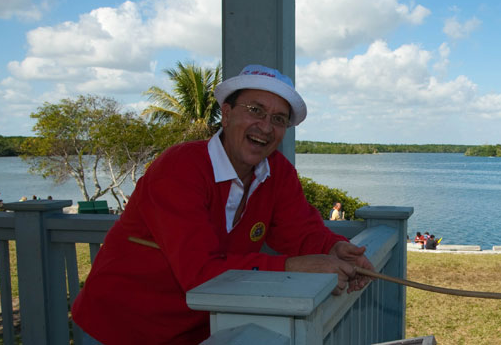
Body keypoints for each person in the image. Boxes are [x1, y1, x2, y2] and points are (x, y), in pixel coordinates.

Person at [72, 64, 374, 345]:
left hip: (200, 330)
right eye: (255, 110)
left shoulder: (277, 171)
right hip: (119, 328)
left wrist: (333, 247)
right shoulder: (180, 168)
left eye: (279, 119)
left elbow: (299, 230)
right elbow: (200, 272)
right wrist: (295, 267)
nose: (266, 127)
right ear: (226, 114)